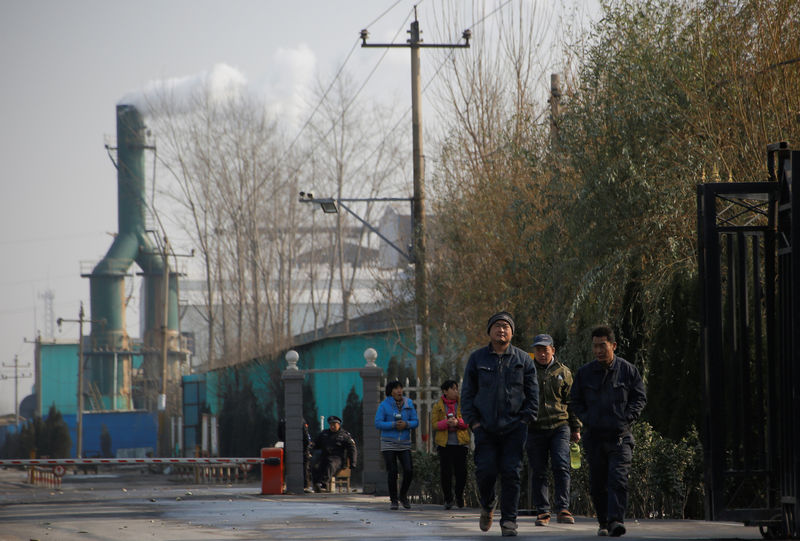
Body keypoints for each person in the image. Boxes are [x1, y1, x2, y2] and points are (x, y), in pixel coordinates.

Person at [461, 311, 539, 537]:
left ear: (512, 332)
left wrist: (526, 419)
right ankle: (488, 504)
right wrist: (473, 422)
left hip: (515, 428)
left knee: (511, 473)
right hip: (484, 428)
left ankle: (509, 521)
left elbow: (533, 394)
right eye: (497, 326)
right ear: (490, 331)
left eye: (506, 326)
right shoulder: (477, 359)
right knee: (485, 471)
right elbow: (467, 394)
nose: (501, 330)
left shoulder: (524, 360)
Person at [571, 325, 647, 537]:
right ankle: (603, 521)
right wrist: (587, 419)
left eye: (602, 346)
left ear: (613, 345)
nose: (598, 351)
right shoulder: (584, 373)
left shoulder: (628, 370)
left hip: (619, 437)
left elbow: (639, 397)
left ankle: (615, 521)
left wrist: (627, 417)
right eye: (595, 346)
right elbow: (575, 400)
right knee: (598, 484)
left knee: (618, 479)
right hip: (594, 437)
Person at [525, 333, 582, 527]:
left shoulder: (564, 372)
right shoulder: (527, 371)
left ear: (553, 351)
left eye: (545, 350)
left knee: (561, 465)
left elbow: (571, 401)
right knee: (538, 470)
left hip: (560, 426)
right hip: (534, 427)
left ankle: (563, 508)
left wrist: (576, 428)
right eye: (538, 350)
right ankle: (543, 511)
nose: (541, 354)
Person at [375, 380, 419, 510]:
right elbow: (378, 423)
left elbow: (415, 421)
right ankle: (394, 500)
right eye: (396, 388)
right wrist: (393, 425)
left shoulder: (409, 403)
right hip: (388, 443)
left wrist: (407, 424)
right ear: (390, 392)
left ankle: (403, 495)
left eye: (400, 388)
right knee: (392, 471)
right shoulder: (384, 405)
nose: (399, 391)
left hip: (404, 443)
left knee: (409, 470)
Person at [432, 379, 470, 510]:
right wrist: (445, 423)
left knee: (462, 472)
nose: (456, 391)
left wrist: (457, 422)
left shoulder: (463, 404)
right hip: (445, 444)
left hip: (460, 443)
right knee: (446, 473)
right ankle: (448, 499)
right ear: (445, 391)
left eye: (456, 389)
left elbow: (468, 422)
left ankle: (459, 495)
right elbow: (434, 424)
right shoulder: (438, 406)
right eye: (453, 389)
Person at [311, 415, 357, 492]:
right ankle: (316, 484)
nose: (332, 427)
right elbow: (315, 444)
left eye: (334, 425)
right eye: (331, 425)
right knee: (315, 465)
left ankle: (323, 484)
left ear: (339, 425)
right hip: (324, 457)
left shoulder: (344, 435)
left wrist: (353, 462)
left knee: (330, 464)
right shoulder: (324, 434)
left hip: (337, 459)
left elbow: (352, 448)